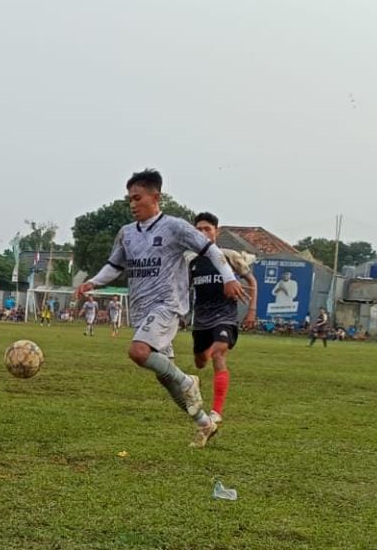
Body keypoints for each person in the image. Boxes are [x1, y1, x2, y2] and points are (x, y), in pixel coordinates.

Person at [75, 169, 245, 448]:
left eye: (137, 198)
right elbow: (115, 266)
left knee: (138, 351)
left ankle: (190, 381)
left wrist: (228, 277)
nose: (132, 204)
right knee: (166, 379)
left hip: (168, 304)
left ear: (156, 197)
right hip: (142, 308)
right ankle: (205, 423)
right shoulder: (126, 234)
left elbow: (210, 250)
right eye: (129, 199)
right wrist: (92, 281)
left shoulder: (175, 227)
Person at [189, 212, 258, 423]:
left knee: (219, 354)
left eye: (207, 229)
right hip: (201, 318)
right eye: (198, 229)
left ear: (216, 231)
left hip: (225, 315)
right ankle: (192, 381)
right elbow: (183, 288)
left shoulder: (229, 256)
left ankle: (216, 412)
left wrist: (251, 311)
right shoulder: (191, 260)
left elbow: (252, 281)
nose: (203, 233)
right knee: (201, 362)